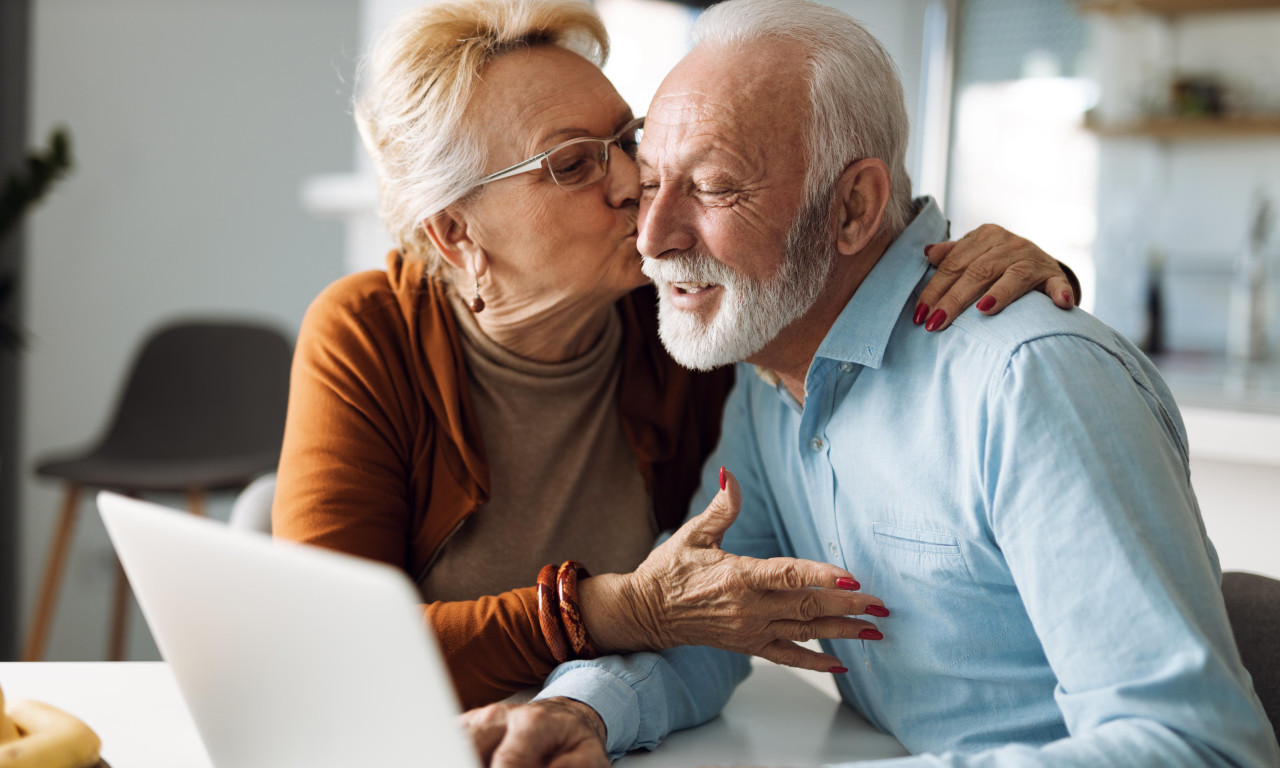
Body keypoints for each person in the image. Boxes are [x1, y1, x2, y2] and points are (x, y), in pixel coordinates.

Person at [473, 1, 1280, 766]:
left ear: (853, 207)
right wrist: (581, 712)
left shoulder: (1028, 382)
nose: (652, 236)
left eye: (714, 186)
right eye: (651, 183)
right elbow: (709, 616)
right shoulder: (770, 375)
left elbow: (1193, 747)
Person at [272, 0, 1080, 718]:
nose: (634, 185)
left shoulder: (694, 314)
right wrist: (615, 611)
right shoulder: (370, 332)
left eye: (626, 139)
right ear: (456, 234)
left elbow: (834, 248)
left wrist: (978, 264)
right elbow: (330, 656)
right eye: (574, 163)